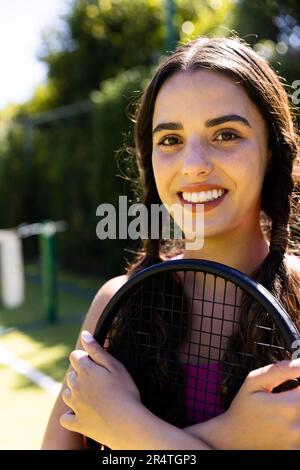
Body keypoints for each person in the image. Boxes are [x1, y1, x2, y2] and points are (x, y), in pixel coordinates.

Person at [41, 35, 300, 450]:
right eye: (170, 140)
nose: (194, 165)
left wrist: (125, 427)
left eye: (226, 134)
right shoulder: (117, 306)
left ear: (271, 150)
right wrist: (230, 437)